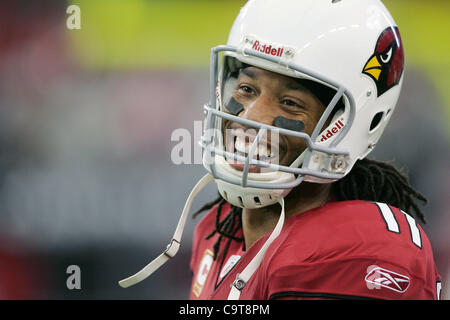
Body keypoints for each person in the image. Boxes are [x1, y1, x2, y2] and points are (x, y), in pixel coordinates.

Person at [118, 0, 441, 300]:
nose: (250, 117)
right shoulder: (219, 228)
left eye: (290, 103)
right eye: (246, 89)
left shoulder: (363, 250)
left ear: (348, 124)